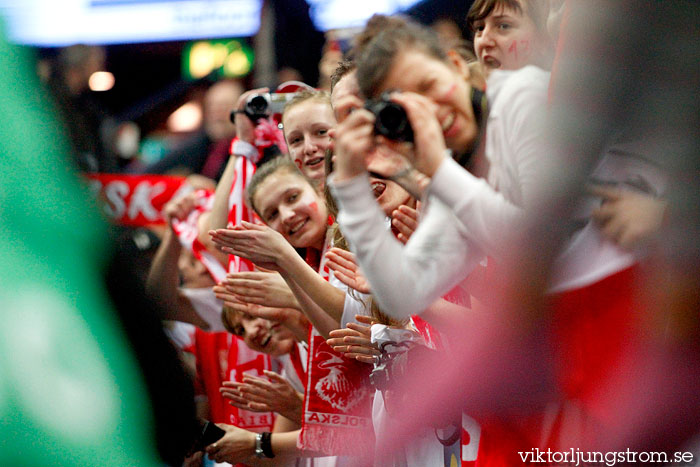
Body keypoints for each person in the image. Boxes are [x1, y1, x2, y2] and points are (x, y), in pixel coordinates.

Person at [137, 79, 244, 181]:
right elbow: (158, 168)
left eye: (223, 107)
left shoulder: (248, 147)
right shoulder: (201, 143)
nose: (216, 115)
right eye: (212, 107)